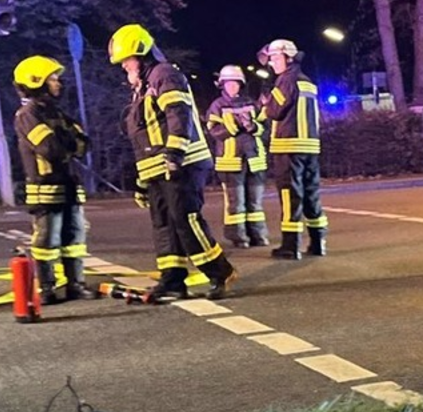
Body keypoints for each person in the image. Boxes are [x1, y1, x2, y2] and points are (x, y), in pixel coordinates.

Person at [107, 23, 238, 300]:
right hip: (158, 169)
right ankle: (173, 280)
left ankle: (220, 272)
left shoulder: (164, 75)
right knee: (164, 223)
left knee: (186, 220)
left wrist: (175, 154)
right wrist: (143, 181)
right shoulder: (143, 86)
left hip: (183, 164)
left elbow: (178, 114)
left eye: (127, 60)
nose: (124, 66)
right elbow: (145, 138)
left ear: (141, 54)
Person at [11, 55, 97, 304]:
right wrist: (69, 143)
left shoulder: (56, 112)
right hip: (45, 189)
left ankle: (75, 284)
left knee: (75, 237)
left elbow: (84, 144)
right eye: (53, 79)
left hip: (67, 186)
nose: (58, 83)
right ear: (36, 81)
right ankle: (47, 288)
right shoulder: (27, 114)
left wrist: (68, 143)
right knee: (47, 239)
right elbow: (50, 149)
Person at [258, 39, 326, 260]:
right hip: (310, 147)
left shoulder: (286, 80)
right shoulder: (308, 81)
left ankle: (290, 246)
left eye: (274, 58)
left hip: (288, 147)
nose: (271, 63)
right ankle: (318, 242)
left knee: (290, 196)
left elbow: (275, 111)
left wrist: (266, 104)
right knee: (311, 194)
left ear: (288, 58)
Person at [206, 65, 269, 249]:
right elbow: (214, 131)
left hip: (254, 160)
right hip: (230, 162)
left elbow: (265, 128)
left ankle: (258, 235)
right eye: (229, 83)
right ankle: (239, 237)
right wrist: (235, 125)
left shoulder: (251, 103)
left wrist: (253, 127)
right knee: (236, 203)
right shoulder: (217, 106)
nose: (232, 86)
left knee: (255, 203)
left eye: (235, 83)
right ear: (222, 85)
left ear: (241, 84)